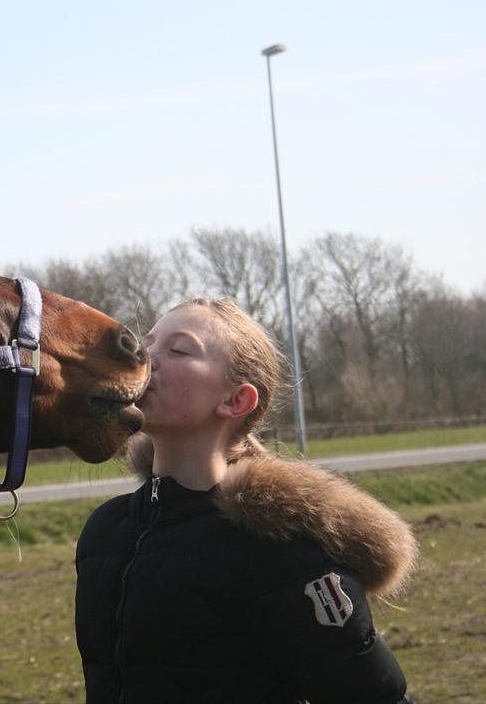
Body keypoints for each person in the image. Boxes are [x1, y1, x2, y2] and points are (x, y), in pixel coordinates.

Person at [75, 298, 417, 704]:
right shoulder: (106, 530)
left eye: (179, 349)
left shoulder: (282, 552)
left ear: (236, 401)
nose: (147, 358)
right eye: (148, 343)